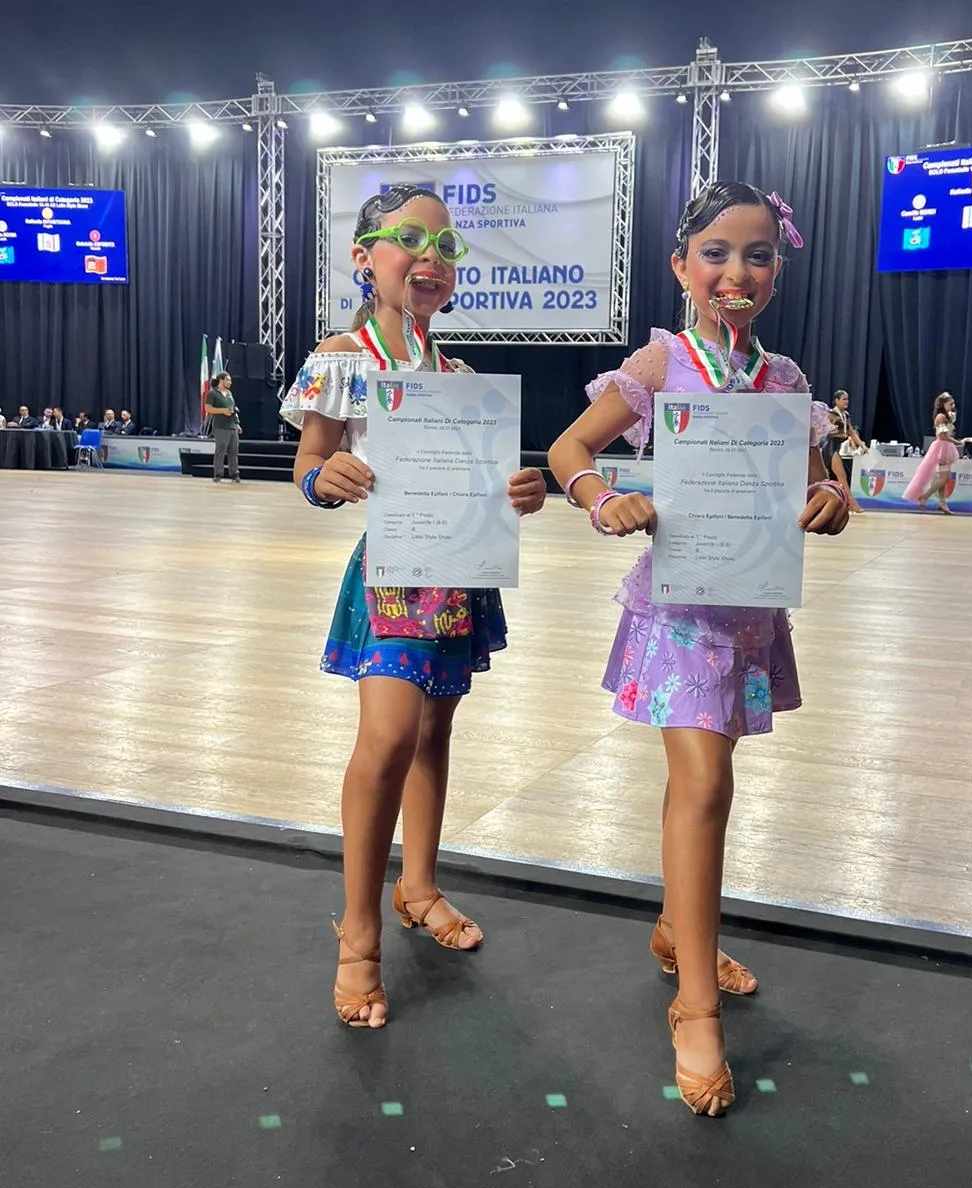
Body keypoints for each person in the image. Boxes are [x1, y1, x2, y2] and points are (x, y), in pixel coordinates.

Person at [549, 181, 850, 1118]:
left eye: (758, 255)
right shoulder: (662, 360)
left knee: (703, 785)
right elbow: (568, 449)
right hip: (679, 610)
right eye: (716, 253)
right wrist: (604, 498)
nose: (736, 272)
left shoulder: (786, 380)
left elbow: (820, 482)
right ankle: (694, 1007)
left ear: (777, 272)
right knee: (706, 784)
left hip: (749, 608)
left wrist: (832, 500)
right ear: (681, 266)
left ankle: (679, 930)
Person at [280, 185, 546, 1032]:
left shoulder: (459, 379)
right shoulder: (341, 358)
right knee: (389, 738)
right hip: (391, 576)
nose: (430, 258)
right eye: (409, 240)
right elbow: (308, 465)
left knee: (434, 733)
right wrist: (325, 479)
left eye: (446, 245)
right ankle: (357, 931)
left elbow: (485, 486)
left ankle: (419, 886)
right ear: (364, 257)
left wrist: (520, 491)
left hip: (457, 573)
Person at [903, 392, 960, 513]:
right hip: (942, 448)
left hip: (945, 447)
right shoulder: (941, 417)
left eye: (953, 404)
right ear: (943, 404)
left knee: (943, 478)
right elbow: (943, 436)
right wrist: (958, 442)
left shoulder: (946, 416)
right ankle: (925, 496)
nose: (953, 406)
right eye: (950, 404)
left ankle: (942, 503)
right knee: (944, 478)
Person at [826, 389, 866, 515]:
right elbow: (825, 430)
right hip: (830, 447)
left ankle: (841, 504)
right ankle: (852, 504)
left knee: (838, 478)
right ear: (836, 400)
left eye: (847, 399)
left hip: (838, 447)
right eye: (844, 399)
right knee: (841, 478)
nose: (846, 401)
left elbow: (851, 432)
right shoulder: (831, 414)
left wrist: (862, 445)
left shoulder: (846, 415)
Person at [205, 373, 240, 483]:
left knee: (233, 451)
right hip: (220, 427)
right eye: (228, 380)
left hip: (232, 426)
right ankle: (218, 474)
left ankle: (234, 474)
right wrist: (223, 411)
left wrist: (237, 423)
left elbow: (233, 409)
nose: (230, 382)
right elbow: (208, 409)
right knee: (220, 450)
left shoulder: (229, 393)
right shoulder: (212, 393)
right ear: (221, 380)